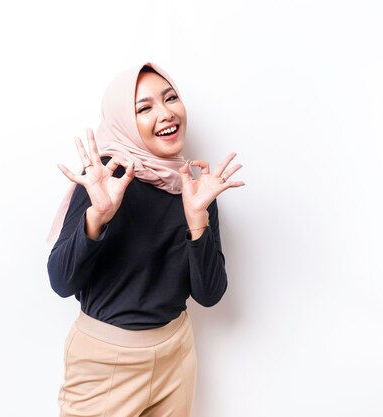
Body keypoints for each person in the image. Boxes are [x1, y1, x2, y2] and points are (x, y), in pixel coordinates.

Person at [47, 62, 244, 417]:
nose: (166, 113)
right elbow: (61, 282)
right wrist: (97, 217)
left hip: (175, 352)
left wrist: (198, 218)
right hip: (105, 363)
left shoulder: (194, 188)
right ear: (123, 119)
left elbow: (209, 295)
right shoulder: (106, 178)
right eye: (145, 107)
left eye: (171, 98)